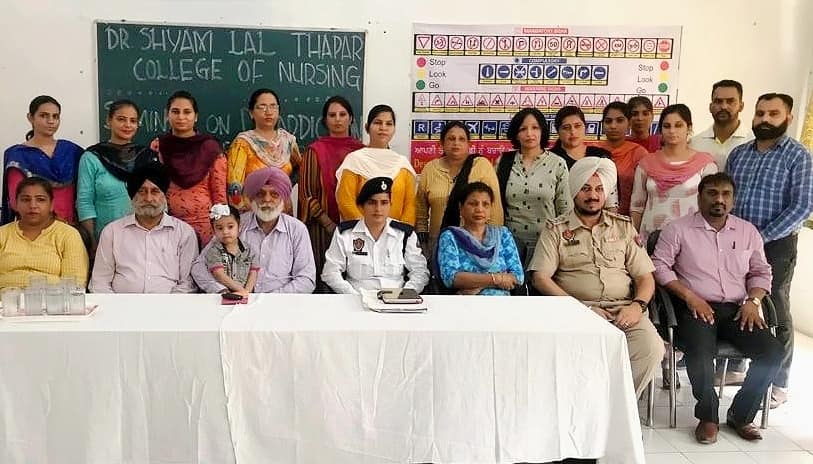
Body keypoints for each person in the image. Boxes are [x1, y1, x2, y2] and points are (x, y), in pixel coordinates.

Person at [652, 173, 782, 443]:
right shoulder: (678, 229)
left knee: (772, 352)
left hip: (737, 309)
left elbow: (761, 272)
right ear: (699, 197)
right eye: (712, 193)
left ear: (733, 200)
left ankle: (741, 415)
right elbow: (659, 266)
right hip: (694, 308)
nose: (719, 199)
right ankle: (708, 417)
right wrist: (690, 296)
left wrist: (753, 301)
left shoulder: (748, 232)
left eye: (725, 194)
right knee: (700, 353)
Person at [530, 157, 665, 397]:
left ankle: (616, 408)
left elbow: (645, 277)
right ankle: (592, 407)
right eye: (586, 188)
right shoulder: (556, 229)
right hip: (577, 313)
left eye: (599, 189)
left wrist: (637, 306)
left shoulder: (624, 227)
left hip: (624, 310)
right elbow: (540, 278)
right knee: (576, 360)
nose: (593, 195)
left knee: (651, 349)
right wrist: (581, 309)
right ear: (574, 192)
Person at [726, 93, 813, 408]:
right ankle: (737, 367)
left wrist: (760, 237)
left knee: (775, 306)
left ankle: (779, 381)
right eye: (760, 113)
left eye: (773, 113)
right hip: (736, 243)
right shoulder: (739, 154)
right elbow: (727, 197)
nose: (765, 119)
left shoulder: (798, 156)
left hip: (776, 244)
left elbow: (802, 206)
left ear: (788, 117)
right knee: (737, 299)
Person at [192, 167, 316, 294]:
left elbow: (307, 279)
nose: (267, 199)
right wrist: (222, 290)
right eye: (260, 194)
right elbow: (199, 267)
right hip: (237, 301)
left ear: (283, 199)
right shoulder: (235, 225)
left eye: (274, 194)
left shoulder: (297, 230)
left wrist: (271, 299)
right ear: (251, 199)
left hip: (280, 302)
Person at [89, 163, 198, 293]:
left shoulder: (184, 233)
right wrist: (115, 305)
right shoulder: (112, 232)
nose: (148, 198)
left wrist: (169, 304)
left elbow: (188, 283)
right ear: (132, 196)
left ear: (164, 196)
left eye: (155, 191)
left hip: (170, 303)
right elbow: (100, 282)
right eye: (142, 191)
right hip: (121, 304)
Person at [298, 96, 365, 291]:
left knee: (355, 279)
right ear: (325, 120)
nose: (337, 119)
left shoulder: (362, 152)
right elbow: (306, 194)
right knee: (325, 279)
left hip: (357, 227)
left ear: (351, 119)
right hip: (321, 229)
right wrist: (328, 224)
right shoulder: (314, 151)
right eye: (332, 115)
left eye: (342, 114)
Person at [322, 177, 429, 294]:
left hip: (396, 299)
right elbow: (330, 272)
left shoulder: (404, 235)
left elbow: (420, 272)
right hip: (356, 298)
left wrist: (403, 295)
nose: (378, 209)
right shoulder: (345, 234)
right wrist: (352, 296)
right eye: (372, 203)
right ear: (362, 206)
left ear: (390, 205)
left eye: (384, 203)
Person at [77, 99, 159, 250]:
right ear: (109, 121)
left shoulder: (147, 157)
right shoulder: (92, 157)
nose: (127, 125)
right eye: (121, 119)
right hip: (106, 240)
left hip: (145, 239)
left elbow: (159, 198)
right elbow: (85, 202)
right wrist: (92, 242)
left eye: (133, 121)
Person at [630, 104, 717, 242]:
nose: (672, 131)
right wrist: (633, 239)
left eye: (678, 125)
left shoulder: (704, 164)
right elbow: (637, 207)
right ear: (661, 130)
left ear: (689, 128)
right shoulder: (647, 163)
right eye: (667, 126)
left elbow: (711, 206)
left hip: (691, 239)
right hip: (650, 238)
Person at [416, 120, 503, 256]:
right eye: (451, 139)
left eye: (461, 139)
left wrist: (490, 244)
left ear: (469, 144)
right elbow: (421, 211)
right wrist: (423, 242)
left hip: (476, 245)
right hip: (439, 244)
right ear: (441, 144)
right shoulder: (430, 169)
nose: (456, 143)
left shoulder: (481, 166)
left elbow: (495, 208)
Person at [496, 108, 571, 261]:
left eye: (535, 128)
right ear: (516, 134)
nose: (529, 133)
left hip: (547, 244)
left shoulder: (557, 163)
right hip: (508, 246)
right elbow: (494, 204)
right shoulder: (503, 162)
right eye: (523, 129)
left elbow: (565, 210)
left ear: (542, 131)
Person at [153, 90, 227, 246]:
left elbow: (219, 193)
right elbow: (155, 188)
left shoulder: (210, 148)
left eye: (187, 112)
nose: (181, 117)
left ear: (196, 116)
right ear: (167, 115)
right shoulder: (159, 146)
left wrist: (222, 228)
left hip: (205, 225)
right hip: (168, 225)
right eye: (175, 112)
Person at [2, 95, 83, 225]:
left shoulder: (72, 151)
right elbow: (15, 200)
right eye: (44, 116)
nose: (51, 121)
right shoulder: (18, 155)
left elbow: (85, 193)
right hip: (34, 227)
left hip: (71, 227)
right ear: (30, 117)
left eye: (55, 116)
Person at [0, 177, 88, 290]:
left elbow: (74, 284)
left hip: (52, 300)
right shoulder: (3, 234)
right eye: (26, 200)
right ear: (16, 204)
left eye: (40, 200)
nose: (32, 205)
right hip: (6, 299)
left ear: (51, 205)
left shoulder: (68, 235)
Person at [436, 182, 523, 296]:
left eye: (485, 204)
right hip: (466, 303)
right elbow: (450, 278)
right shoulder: (450, 236)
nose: (479, 209)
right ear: (461, 208)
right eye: (473, 204)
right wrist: (497, 279)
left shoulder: (503, 235)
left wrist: (479, 284)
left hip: (502, 303)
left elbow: (518, 277)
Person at [336, 105, 417, 224]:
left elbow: (410, 205)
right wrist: (366, 230)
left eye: (389, 124)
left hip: (397, 234)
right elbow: (346, 202)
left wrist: (399, 231)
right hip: (360, 232)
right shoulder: (354, 161)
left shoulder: (402, 164)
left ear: (394, 129)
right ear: (367, 127)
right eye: (378, 123)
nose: (383, 128)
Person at [227, 88, 301, 212]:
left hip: (283, 211)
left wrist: (286, 188)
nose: (268, 112)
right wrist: (244, 207)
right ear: (251, 113)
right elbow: (234, 184)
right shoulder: (243, 143)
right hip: (253, 210)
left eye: (273, 106)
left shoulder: (288, 141)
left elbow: (300, 168)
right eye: (262, 107)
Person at [599, 101, 649, 216]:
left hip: (629, 219)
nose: (613, 126)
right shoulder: (592, 151)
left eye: (620, 120)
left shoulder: (639, 153)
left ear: (629, 123)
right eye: (608, 121)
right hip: (594, 219)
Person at [690, 79, 753, 170]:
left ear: (741, 106)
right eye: (718, 101)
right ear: (710, 107)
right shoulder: (694, 144)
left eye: (730, 101)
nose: (724, 106)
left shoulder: (753, 142)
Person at [202, 204, 259, 297]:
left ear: (239, 227)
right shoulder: (214, 251)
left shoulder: (249, 250)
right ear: (213, 230)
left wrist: (247, 292)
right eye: (220, 228)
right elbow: (219, 274)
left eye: (230, 227)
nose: (225, 232)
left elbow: (253, 273)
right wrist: (240, 291)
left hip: (246, 295)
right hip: (224, 296)